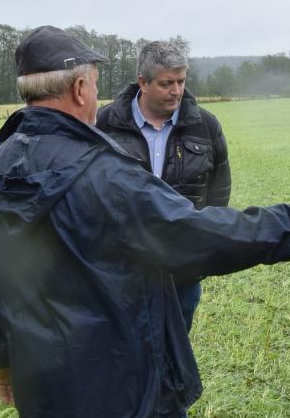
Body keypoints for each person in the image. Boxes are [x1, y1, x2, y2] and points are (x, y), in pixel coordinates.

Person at [0, 25, 290, 417]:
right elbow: (191, 233)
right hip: (122, 380)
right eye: (95, 86)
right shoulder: (107, 177)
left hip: (42, 384)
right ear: (80, 89)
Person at [96, 40, 229, 332]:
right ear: (142, 81)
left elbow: (218, 194)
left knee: (175, 353)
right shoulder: (104, 124)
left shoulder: (206, 126)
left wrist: (202, 253)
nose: (177, 91)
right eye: (167, 83)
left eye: (181, 81)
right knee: (123, 353)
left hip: (181, 269)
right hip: (120, 268)